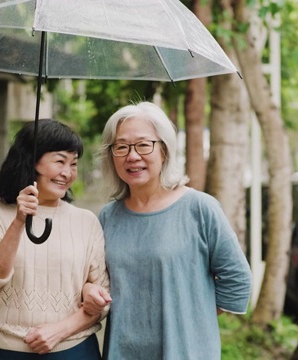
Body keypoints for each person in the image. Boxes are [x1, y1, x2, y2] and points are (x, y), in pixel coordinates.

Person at [84, 101, 252, 359]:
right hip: (123, 352)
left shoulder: (199, 208)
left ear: (164, 150)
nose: (132, 155)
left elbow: (237, 279)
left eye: (143, 144)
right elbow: (96, 282)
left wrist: (193, 317)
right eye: (121, 146)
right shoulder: (108, 216)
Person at [0, 119, 110, 359]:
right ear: (31, 161)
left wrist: (58, 331)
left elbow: (102, 299)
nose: (67, 173)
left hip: (74, 349)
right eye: (59, 161)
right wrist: (18, 221)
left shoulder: (86, 221)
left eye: (73, 164)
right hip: (7, 351)